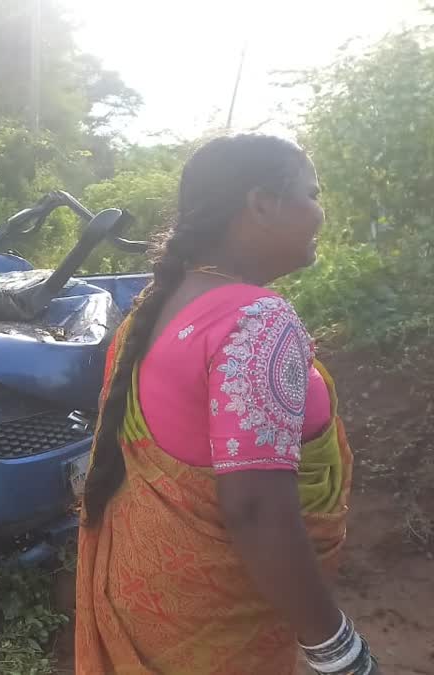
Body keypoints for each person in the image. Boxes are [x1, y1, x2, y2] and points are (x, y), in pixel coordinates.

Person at [75, 135, 375, 674]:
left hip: (153, 605)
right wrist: (339, 652)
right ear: (261, 204)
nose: (319, 213)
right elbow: (258, 509)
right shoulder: (256, 319)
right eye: (311, 193)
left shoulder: (161, 301)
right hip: (219, 636)